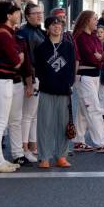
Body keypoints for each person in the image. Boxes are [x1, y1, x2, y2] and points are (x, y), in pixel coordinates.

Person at [0, 0, 34, 173]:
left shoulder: (3, 33)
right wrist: (19, 56)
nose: (18, 14)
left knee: (2, 122)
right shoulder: (3, 35)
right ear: (8, 15)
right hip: (0, 81)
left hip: (1, 81)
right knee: (0, 123)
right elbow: (15, 62)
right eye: (16, 12)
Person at [34, 15, 76, 169]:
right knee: (44, 124)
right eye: (53, 25)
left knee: (63, 124)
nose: (57, 27)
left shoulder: (68, 46)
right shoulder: (41, 48)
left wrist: (70, 83)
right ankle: (44, 157)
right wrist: (44, 81)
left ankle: (61, 156)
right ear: (48, 28)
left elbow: (72, 67)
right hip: (46, 90)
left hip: (64, 91)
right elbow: (38, 69)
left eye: (59, 25)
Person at [73, 10, 104, 153]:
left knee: (82, 110)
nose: (96, 21)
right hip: (85, 76)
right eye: (94, 19)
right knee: (93, 109)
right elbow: (91, 56)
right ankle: (100, 142)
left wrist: (101, 57)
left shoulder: (93, 36)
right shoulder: (80, 37)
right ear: (86, 21)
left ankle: (79, 140)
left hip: (93, 75)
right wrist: (100, 57)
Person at [16, 3, 46, 163]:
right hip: (31, 77)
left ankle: (33, 147)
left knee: (33, 115)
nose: (39, 15)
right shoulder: (25, 33)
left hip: (38, 76)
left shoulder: (38, 31)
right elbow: (27, 59)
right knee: (27, 115)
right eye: (35, 13)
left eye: (40, 12)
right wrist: (30, 81)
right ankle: (24, 148)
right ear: (27, 16)